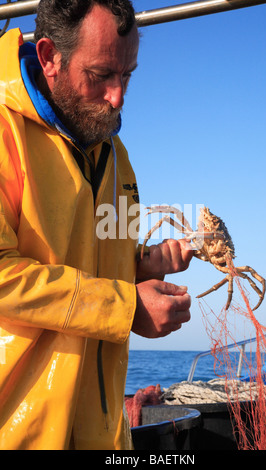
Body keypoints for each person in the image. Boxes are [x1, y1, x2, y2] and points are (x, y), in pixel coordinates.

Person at [0, 0, 193, 450]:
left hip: (104, 435)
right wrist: (126, 308)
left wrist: (146, 266)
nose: (118, 96)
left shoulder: (116, 153)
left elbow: (108, 258)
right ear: (49, 57)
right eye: (101, 74)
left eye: (127, 75)